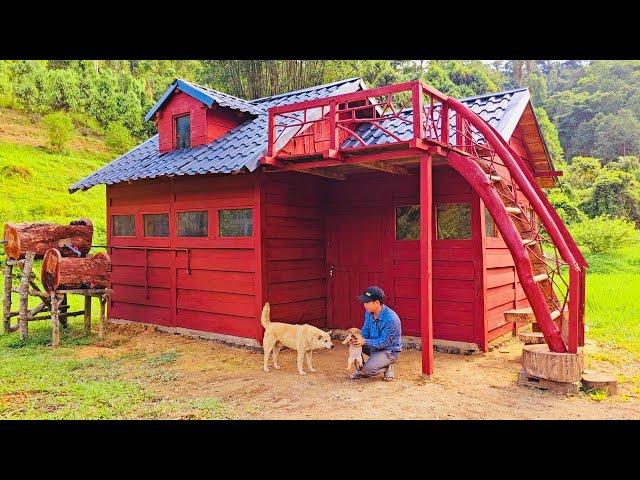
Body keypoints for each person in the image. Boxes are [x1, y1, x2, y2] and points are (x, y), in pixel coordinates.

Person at [349, 286, 402, 381]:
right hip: (373, 346)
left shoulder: (391, 319)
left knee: (368, 371)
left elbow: (384, 342)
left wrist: (364, 341)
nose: (364, 304)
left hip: (388, 351)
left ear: (377, 302)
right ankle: (362, 368)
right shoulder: (368, 312)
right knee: (353, 344)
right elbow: (365, 330)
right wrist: (356, 339)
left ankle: (387, 366)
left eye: (367, 302)